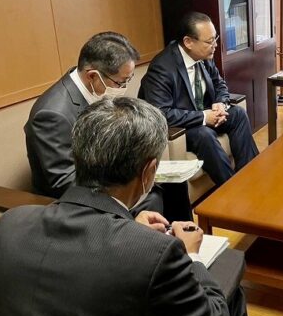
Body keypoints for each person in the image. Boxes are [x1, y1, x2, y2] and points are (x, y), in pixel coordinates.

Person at [0, 97, 249, 316]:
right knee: (230, 285)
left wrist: (129, 228)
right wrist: (192, 256)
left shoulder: (11, 222)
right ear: (149, 172)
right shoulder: (157, 254)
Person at [23, 32, 190, 220]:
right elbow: (63, 182)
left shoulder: (95, 91)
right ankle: (148, 239)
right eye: (121, 82)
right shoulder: (52, 115)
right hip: (75, 200)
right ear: (92, 76)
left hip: (107, 177)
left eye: (128, 80)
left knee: (174, 184)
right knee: (151, 198)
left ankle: (184, 236)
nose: (124, 88)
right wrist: (123, 184)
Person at [139, 11, 258, 187]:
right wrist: (203, 117)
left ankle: (251, 177)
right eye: (210, 41)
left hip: (204, 113)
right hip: (181, 126)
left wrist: (220, 103)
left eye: (215, 38)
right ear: (188, 42)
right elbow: (161, 113)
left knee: (238, 114)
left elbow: (219, 84)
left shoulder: (203, 56)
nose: (215, 45)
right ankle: (232, 187)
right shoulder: (163, 68)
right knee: (204, 134)